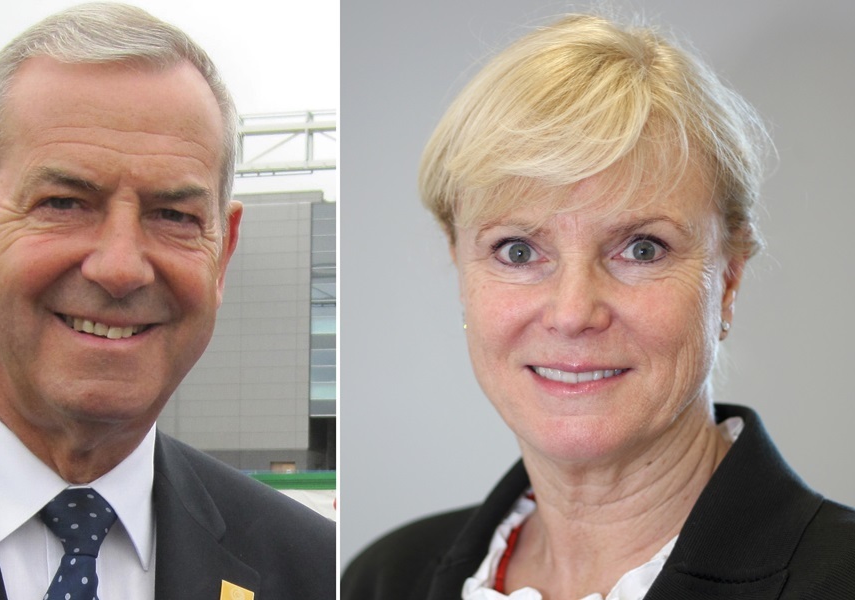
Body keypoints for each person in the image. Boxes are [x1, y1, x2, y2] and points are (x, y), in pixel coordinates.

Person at [342, 13, 855, 600]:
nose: (573, 312)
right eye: (517, 250)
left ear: (729, 278)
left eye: (642, 248)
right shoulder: (380, 580)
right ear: (462, 270)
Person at [0, 4, 334, 599]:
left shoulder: (313, 570)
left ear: (223, 253)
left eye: (173, 216)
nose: (120, 267)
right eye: (63, 203)